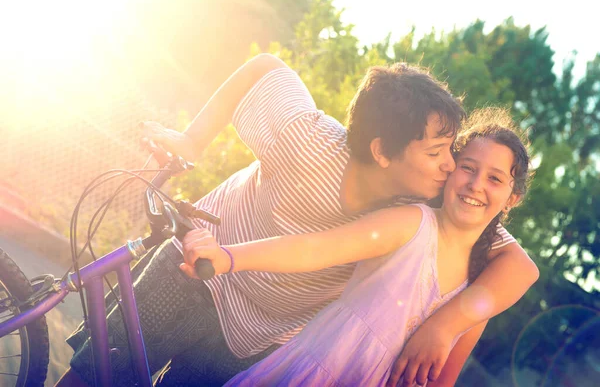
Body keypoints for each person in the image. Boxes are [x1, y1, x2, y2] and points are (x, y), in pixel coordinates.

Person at [58, 54, 538, 387]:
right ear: (382, 153)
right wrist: (193, 140)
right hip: (193, 275)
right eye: (439, 153)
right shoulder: (304, 138)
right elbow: (265, 67)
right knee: (93, 376)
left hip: (258, 338)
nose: (454, 168)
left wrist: (446, 325)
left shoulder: (429, 203)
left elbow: (518, 264)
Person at [181, 108, 534, 386]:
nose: (475, 185)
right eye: (468, 168)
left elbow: (441, 381)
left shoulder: (476, 297)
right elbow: (315, 249)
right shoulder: (411, 223)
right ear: (451, 170)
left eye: (494, 179)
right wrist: (229, 257)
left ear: (512, 199)